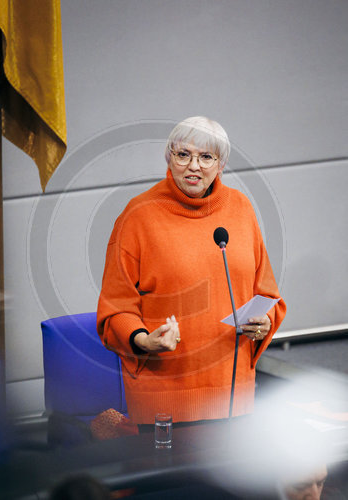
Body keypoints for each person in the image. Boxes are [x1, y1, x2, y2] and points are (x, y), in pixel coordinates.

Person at [97, 116, 286, 424]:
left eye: (206, 157)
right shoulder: (138, 216)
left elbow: (267, 294)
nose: (194, 166)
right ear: (169, 159)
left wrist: (263, 322)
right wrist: (144, 340)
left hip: (233, 395)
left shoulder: (241, 209)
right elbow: (115, 308)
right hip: (164, 400)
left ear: (221, 164)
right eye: (183, 155)